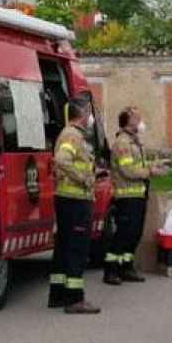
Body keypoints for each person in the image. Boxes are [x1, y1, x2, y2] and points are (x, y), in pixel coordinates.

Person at [103, 106, 167, 286]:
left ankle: (126, 266)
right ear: (127, 122)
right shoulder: (122, 143)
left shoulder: (135, 142)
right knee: (124, 234)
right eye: (136, 118)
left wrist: (155, 166)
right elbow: (128, 170)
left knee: (135, 234)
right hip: (126, 196)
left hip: (138, 194)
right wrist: (150, 172)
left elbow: (140, 165)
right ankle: (111, 269)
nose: (140, 121)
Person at [51, 96, 101, 314]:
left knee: (63, 248)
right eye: (89, 112)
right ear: (81, 114)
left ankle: (58, 294)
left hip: (67, 199)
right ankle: (74, 299)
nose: (91, 117)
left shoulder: (70, 134)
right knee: (77, 250)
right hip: (76, 201)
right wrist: (84, 178)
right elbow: (62, 160)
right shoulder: (72, 135)